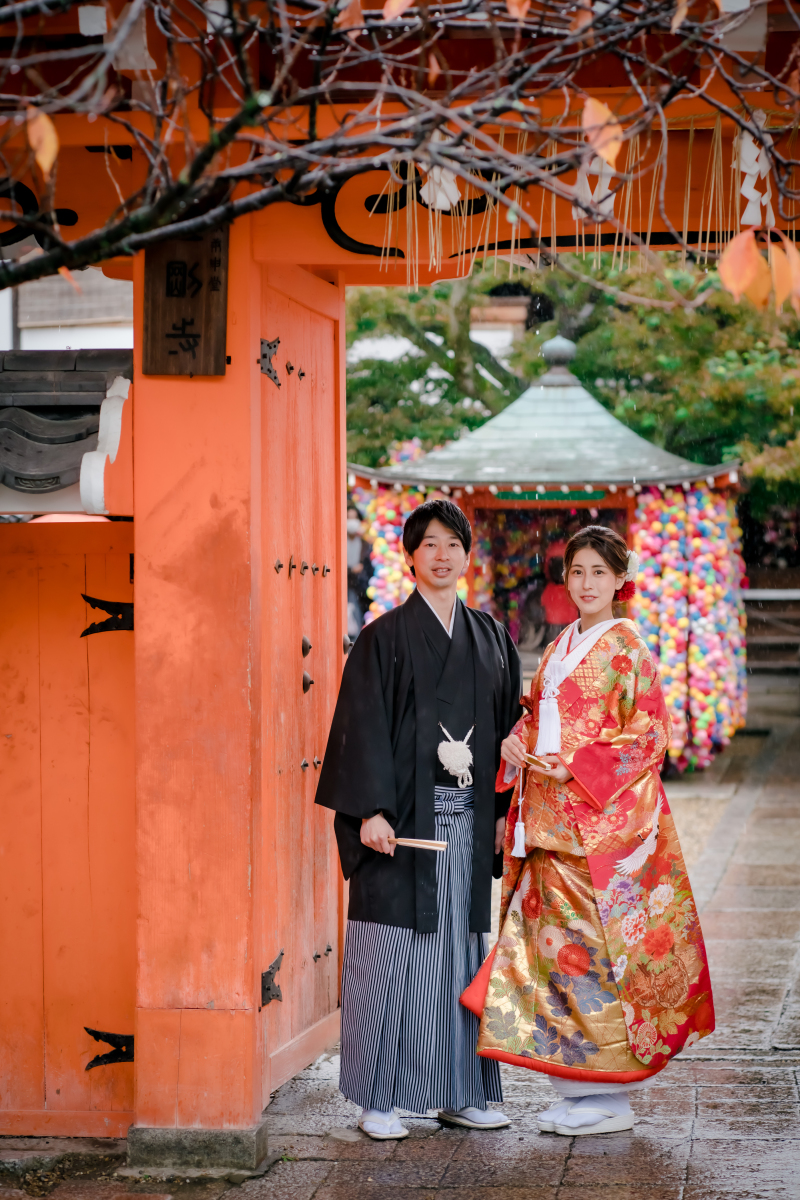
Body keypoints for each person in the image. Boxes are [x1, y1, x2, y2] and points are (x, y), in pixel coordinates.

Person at [463, 525, 714, 1136]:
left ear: (620, 581)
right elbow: (538, 714)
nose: (586, 583)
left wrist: (573, 766)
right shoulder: (562, 643)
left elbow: (649, 738)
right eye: (577, 571)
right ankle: (577, 1091)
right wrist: (518, 744)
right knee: (558, 962)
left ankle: (610, 1096)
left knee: (596, 963)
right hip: (551, 828)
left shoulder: (627, 647)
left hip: (596, 835)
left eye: (599, 572)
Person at [316, 498, 522, 1140]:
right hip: (399, 827)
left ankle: (461, 1093)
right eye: (428, 543)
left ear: (467, 555)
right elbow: (361, 724)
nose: (441, 555)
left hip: (464, 822)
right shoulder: (383, 636)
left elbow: (511, 730)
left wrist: (499, 813)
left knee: (459, 959)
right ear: (409, 557)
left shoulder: (491, 636)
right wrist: (368, 811)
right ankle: (378, 1099)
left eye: (452, 544)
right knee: (390, 957)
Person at [540, 555, 578, 644]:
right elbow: (577, 603)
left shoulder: (549, 588)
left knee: (553, 645)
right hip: (569, 622)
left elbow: (543, 602)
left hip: (552, 621)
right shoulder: (570, 588)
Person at [346, 505, 372, 636]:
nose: (351, 522)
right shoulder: (337, 541)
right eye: (348, 518)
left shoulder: (365, 544)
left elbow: (369, 568)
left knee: (357, 620)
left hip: (360, 589)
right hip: (344, 585)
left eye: (354, 518)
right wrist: (350, 570)